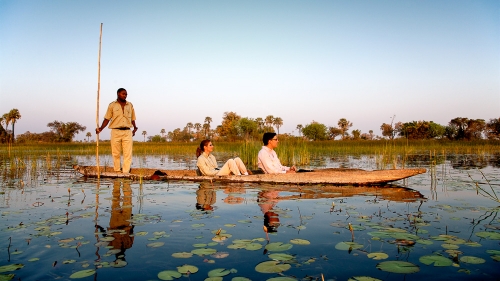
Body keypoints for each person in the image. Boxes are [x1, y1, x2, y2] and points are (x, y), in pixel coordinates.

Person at [96, 88, 138, 174]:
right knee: (116, 153)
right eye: (123, 94)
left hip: (127, 131)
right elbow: (107, 118)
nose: (125, 95)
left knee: (128, 154)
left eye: (126, 94)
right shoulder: (112, 105)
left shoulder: (130, 105)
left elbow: (133, 118)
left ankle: (126, 172)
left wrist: (135, 128)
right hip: (116, 131)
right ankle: (117, 171)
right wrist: (101, 128)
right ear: (118, 94)